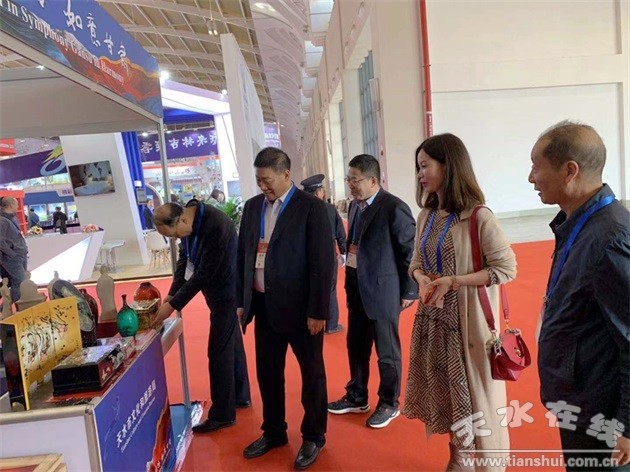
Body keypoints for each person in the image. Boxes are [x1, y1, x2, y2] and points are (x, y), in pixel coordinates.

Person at [402, 134, 517, 470]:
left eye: (425, 166)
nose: (420, 174)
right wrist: (421, 278)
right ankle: (458, 455)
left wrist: (454, 281)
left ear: (448, 166)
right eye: (418, 167)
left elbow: (506, 269)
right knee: (446, 396)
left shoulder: (478, 216)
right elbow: (415, 262)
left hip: (465, 327)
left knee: (469, 398)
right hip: (433, 323)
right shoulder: (427, 215)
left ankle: (470, 458)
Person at [529, 121, 629, 470]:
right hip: (581, 398)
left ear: (569, 171)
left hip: (602, 410)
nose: (531, 178)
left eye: (537, 167)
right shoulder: (580, 224)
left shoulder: (610, 238)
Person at [237, 147, 334, 470]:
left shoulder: (311, 208)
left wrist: (318, 311)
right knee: (268, 373)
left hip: (302, 310)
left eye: (267, 180)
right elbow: (243, 255)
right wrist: (242, 301)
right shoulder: (253, 208)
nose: (262, 186)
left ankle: (314, 436)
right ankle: (274, 431)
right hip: (264, 306)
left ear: (286, 175)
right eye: (258, 180)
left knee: (311, 374)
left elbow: (322, 263)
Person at [327, 154, 417, 429]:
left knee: (387, 352)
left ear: (373, 180)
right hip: (357, 289)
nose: (351, 185)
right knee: (356, 345)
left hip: (383, 291)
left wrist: (409, 291)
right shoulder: (355, 207)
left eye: (355, 180)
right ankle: (357, 395)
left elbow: (410, 252)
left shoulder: (394, 208)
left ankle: (389, 403)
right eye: (349, 179)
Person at [152, 199, 251, 433]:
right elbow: (184, 261)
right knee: (231, 343)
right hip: (215, 291)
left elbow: (203, 273)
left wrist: (173, 305)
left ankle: (223, 415)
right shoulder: (188, 220)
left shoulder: (215, 225)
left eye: (174, 235)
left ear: (181, 220)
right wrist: (171, 294)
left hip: (228, 291)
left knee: (218, 351)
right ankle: (240, 396)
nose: (176, 239)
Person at [300, 174, 347, 334]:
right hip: (328, 253)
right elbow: (340, 233)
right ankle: (331, 324)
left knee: (309, 287)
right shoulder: (329, 209)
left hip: (306, 254)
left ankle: (310, 321)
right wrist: (344, 252)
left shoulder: (300, 210)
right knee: (330, 288)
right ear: (318, 192)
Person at [0, 197, 28, 303]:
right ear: (11, 205)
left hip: (19, 254)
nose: (18, 206)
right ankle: (17, 305)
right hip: (11, 257)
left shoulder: (12, 218)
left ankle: (16, 304)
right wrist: (12, 254)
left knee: (20, 281)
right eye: (16, 204)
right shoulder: (2, 221)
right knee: (19, 281)